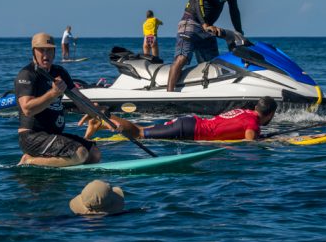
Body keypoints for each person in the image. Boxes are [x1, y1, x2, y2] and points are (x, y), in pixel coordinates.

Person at [167, 0, 246, 92]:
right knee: (182, 58)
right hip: (191, 22)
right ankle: (169, 95)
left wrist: (239, 32)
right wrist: (204, 24)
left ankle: (207, 94)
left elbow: (234, 9)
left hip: (208, 27)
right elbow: (198, 1)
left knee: (213, 64)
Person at [15, 32, 101, 167]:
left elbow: (79, 99)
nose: (46, 55)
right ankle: (29, 160)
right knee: (80, 154)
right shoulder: (27, 74)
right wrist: (54, 93)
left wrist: (102, 115)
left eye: (49, 50)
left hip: (53, 135)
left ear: (55, 52)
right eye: (41, 50)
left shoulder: (59, 72)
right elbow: (27, 109)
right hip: (31, 136)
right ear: (33, 52)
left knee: (94, 154)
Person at [82, 96, 277, 142]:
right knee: (139, 133)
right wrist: (273, 141)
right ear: (270, 114)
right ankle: (103, 116)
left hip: (190, 122)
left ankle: (99, 127)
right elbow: (250, 144)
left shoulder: (244, 112)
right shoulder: (253, 123)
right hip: (189, 130)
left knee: (142, 127)